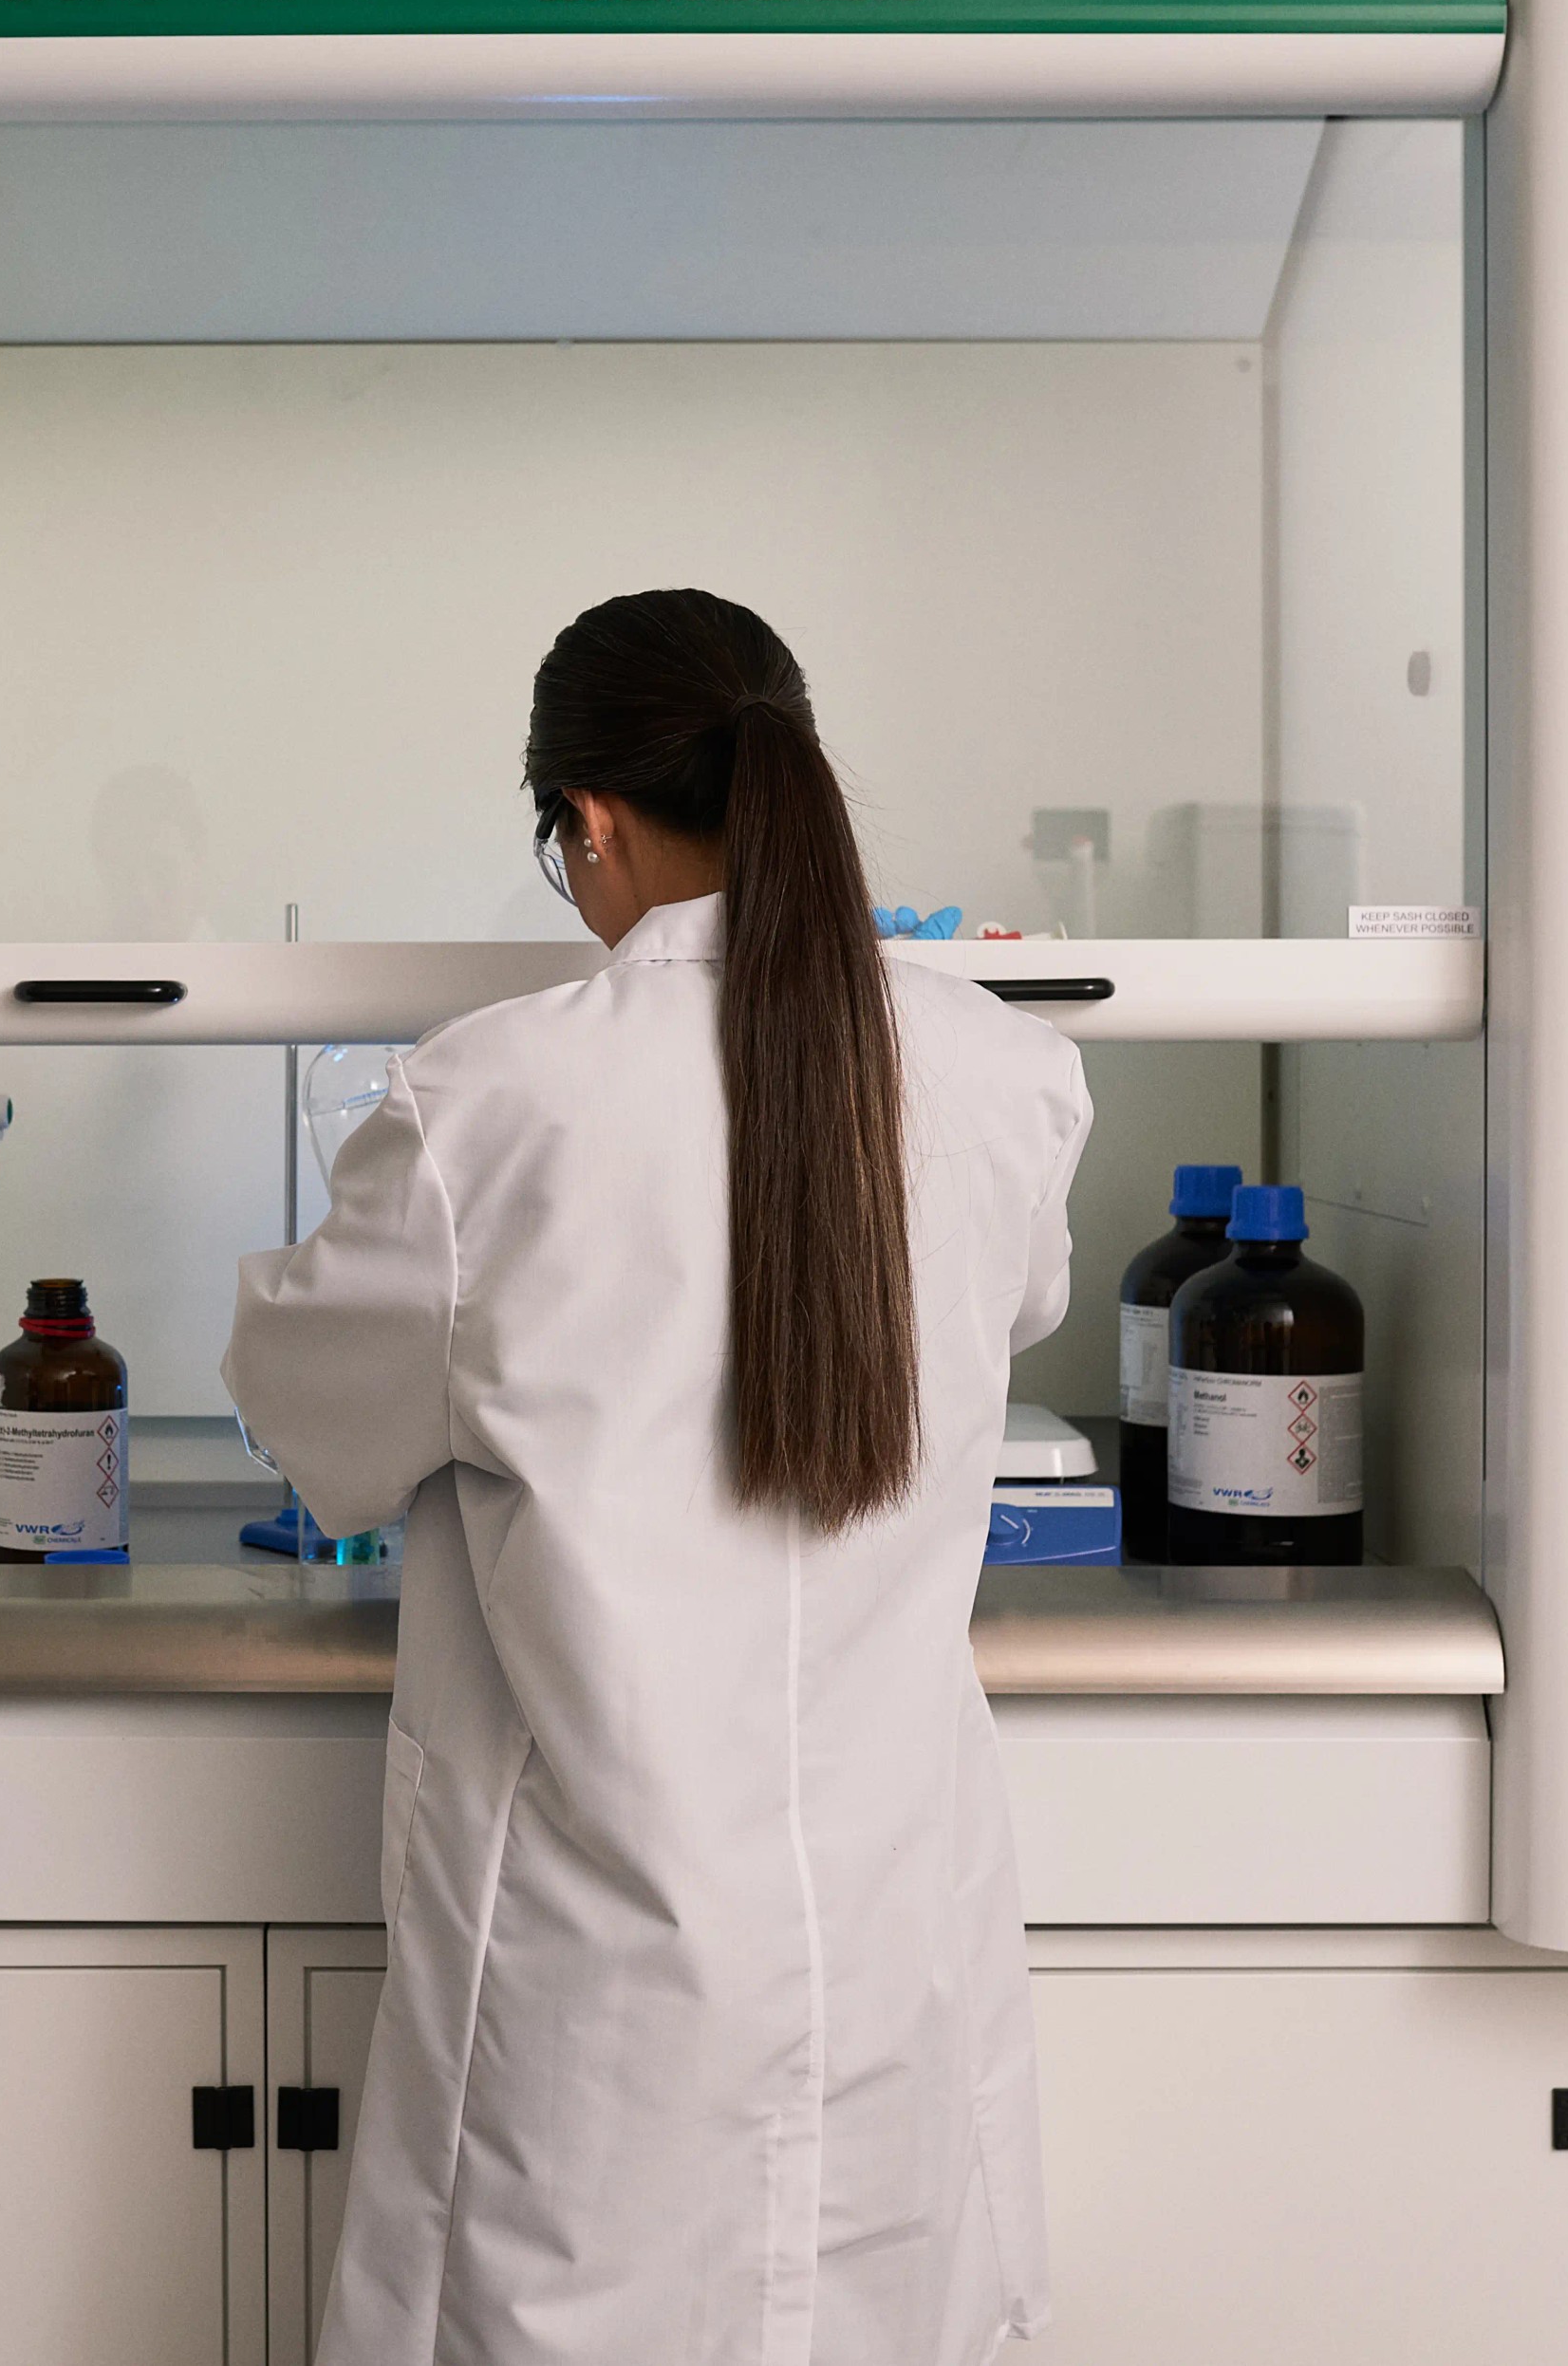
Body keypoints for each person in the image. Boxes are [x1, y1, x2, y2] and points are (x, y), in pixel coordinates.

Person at [224, 589, 1092, 2366]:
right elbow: (1021, 1312)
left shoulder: (494, 1103)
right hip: (889, 1934)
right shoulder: (1004, 1074)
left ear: (592, 819)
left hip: (598, 1966)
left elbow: (316, 1418)